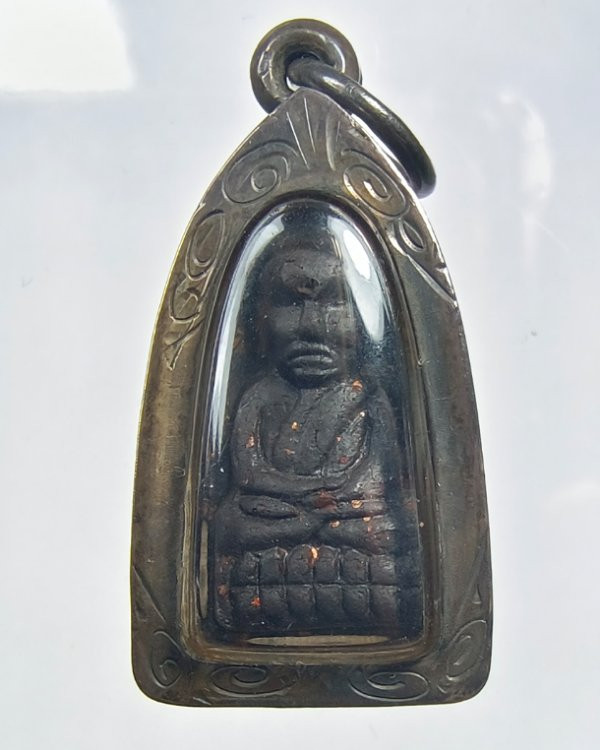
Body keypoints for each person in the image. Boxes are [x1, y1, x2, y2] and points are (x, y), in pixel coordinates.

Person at [212, 205, 423, 636]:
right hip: (273, 518)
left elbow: (378, 490)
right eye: (291, 304)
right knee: (228, 525)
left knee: (392, 531)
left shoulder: (368, 399)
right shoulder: (257, 399)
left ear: (359, 320)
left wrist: (327, 509)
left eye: (334, 303)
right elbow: (247, 481)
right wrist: (305, 509)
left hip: (348, 524)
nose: (312, 327)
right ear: (259, 322)